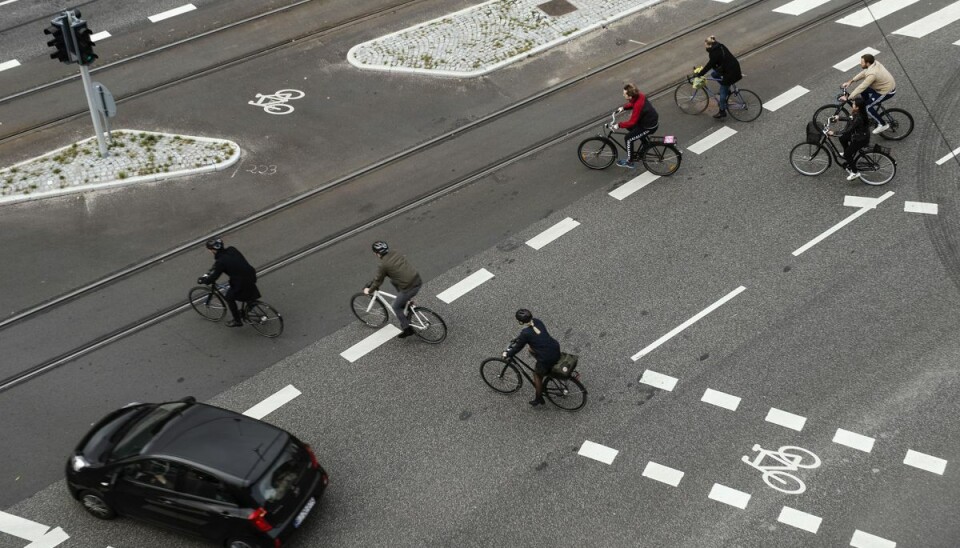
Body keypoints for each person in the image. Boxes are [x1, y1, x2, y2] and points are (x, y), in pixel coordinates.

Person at [364, 241, 422, 339]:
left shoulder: (383, 265)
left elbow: (378, 280)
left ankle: (407, 329)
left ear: (376, 253)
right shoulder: (395, 252)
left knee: (396, 307)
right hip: (417, 279)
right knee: (393, 282)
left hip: (409, 287)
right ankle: (406, 302)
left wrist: (369, 291)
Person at [502, 309, 561, 407]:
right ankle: (544, 367)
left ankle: (538, 398)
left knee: (537, 375)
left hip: (546, 357)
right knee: (530, 348)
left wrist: (507, 354)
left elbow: (517, 348)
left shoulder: (526, 333)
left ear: (521, 322)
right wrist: (518, 338)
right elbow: (531, 335)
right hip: (554, 348)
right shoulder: (537, 321)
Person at [198, 237, 261, 327]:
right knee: (247, 290)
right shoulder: (232, 249)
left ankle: (237, 321)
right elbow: (228, 262)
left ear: (213, 250)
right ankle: (251, 303)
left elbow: (214, 277)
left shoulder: (221, 262)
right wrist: (214, 267)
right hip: (251, 275)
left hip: (241, 282)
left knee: (229, 297)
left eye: (210, 250)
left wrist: (203, 280)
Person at [841, 53, 895, 134]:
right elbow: (864, 73)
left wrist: (849, 98)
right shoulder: (874, 63)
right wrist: (850, 81)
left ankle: (883, 124)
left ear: (868, 63)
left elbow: (862, 86)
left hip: (886, 91)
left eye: (862, 62)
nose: (860, 63)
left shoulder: (872, 74)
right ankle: (868, 108)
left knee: (867, 107)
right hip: (882, 85)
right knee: (864, 93)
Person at [611, 83, 659, 169]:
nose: (623, 95)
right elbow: (633, 102)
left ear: (630, 96)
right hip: (647, 121)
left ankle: (630, 161)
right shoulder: (639, 96)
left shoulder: (638, 105)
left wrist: (618, 125)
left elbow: (632, 122)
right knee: (629, 127)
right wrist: (624, 108)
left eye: (624, 94)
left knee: (628, 139)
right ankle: (645, 144)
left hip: (648, 126)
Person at [695, 36, 742, 119]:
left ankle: (722, 111)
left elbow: (710, 65)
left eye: (705, 45)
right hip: (733, 67)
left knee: (722, 91)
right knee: (714, 74)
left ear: (709, 45)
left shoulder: (714, 54)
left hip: (730, 73)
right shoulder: (720, 46)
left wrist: (700, 74)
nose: (704, 46)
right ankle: (727, 91)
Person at [828, 96, 871, 181]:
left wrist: (834, 133)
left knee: (847, 154)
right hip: (859, 135)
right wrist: (839, 118)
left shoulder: (859, 117)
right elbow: (851, 119)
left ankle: (855, 172)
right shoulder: (859, 111)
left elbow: (848, 130)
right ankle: (847, 154)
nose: (853, 105)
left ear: (857, 107)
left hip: (860, 139)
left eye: (854, 104)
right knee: (842, 138)